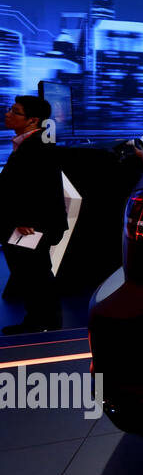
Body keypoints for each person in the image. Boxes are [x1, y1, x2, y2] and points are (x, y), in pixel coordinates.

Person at [0, 96, 68, 334]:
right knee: (30, 274)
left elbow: (39, 189)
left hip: (31, 225)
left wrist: (25, 219)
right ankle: (38, 322)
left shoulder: (37, 146)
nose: (8, 113)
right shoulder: (30, 143)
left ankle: (45, 324)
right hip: (27, 223)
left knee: (34, 275)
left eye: (15, 111)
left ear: (32, 120)